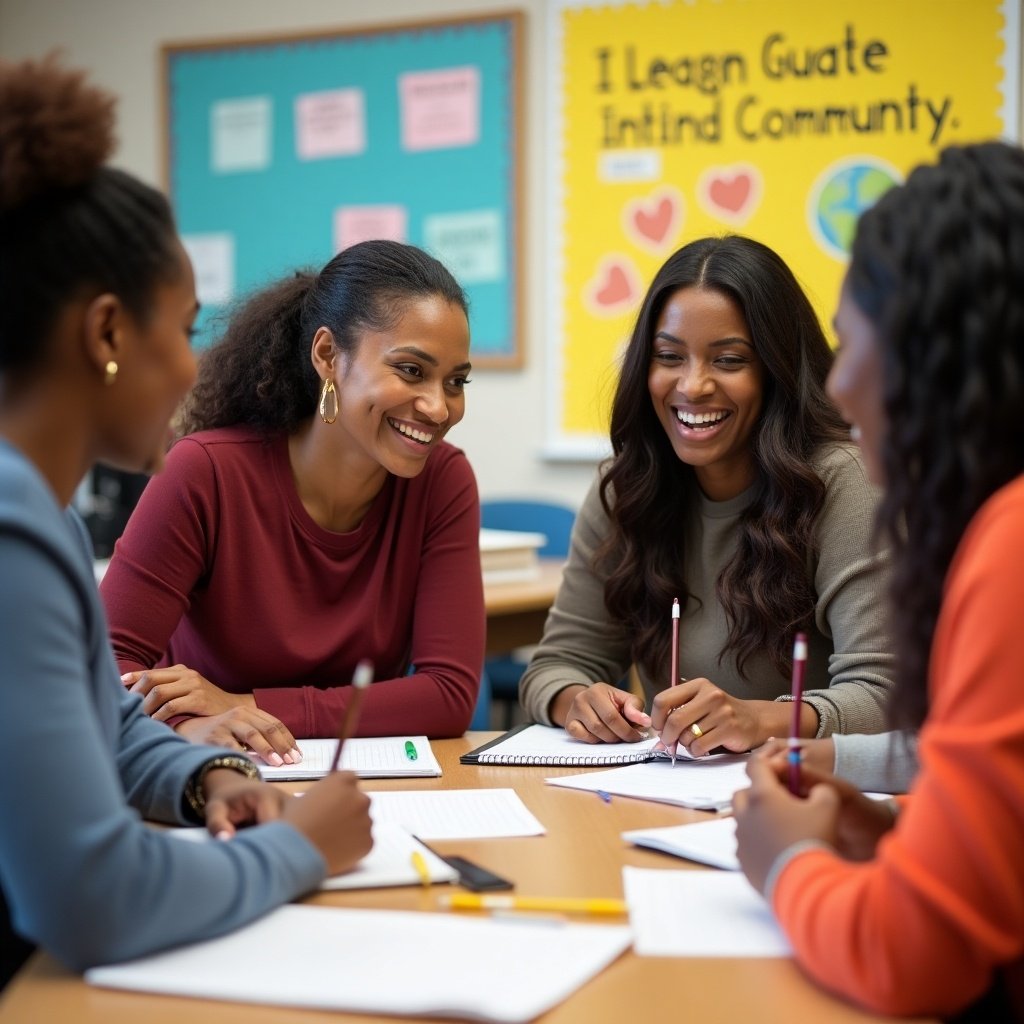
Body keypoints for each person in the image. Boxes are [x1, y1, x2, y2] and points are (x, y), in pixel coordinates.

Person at [0, 56, 373, 985]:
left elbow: (102, 721)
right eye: (186, 327)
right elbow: (91, 897)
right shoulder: (10, 534)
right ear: (109, 335)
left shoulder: (32, 516)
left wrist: (201, 778)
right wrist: (300, 851)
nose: (194, 369)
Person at [733, 142, 1024, 1020]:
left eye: (851, 339)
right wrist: (906, 834)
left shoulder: (1011, 543)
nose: (841, 383)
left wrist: (788, 864)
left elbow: (914, 957)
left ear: (933, 355)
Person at [98, 238, 484, 762]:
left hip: (365, 787)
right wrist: (190, 725)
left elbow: (447, 696)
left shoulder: (444, 480)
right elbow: (106, 662)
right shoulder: (204, 471)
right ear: (327, 355)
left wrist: (248, 704)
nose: (439, 408)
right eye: (411, 370)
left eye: (455, 381)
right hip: (213, 777)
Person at [520, 235, 894, 755]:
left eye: (729, 360)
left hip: (802, 803)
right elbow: (555, 665)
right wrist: (576, 699)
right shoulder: (627, 486)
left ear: (777, 371)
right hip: (666, 802)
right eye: (669, 356)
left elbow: (886, 696)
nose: (693, 386)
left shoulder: (843, 481)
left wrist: (761, 718)